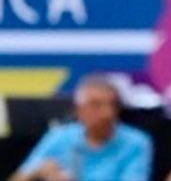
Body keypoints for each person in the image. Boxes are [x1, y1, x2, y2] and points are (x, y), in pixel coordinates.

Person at [10, 76, 152, 181]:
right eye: (96, 105)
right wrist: (37, 172)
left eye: (112, 105)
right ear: (79, 110)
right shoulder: (60, 136)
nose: (107, 113)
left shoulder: (136, 142)